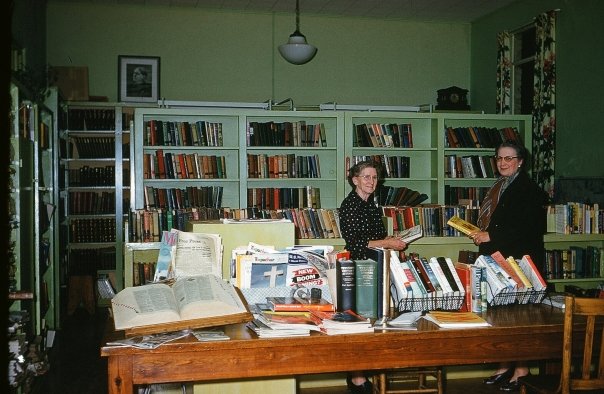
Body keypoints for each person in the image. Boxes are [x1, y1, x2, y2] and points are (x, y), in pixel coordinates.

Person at [469, 140, 549, 392]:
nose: (502, 163)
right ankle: (505, 366)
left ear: (520, 161)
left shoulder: (529, 190)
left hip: (519, 261)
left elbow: (527, 227)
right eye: (499, 158)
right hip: (499, 258)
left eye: (508, 159)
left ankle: (521, 370)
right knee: (501, 315)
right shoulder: (500, 185)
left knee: (519, 317)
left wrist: (491, 236)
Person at [338, 160, 408, 394]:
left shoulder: (371, 204)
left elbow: (375, 237)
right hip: (360, 269)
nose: (371, 181)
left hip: (375, 265)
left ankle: (361, 373)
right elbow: (356, 244)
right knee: (361, 323)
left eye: (375, 177)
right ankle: (357, 377)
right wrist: (387, 243)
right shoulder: (350, 205)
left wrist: (392, 239)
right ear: (355, 180)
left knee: (373, 322)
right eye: (366, 177)